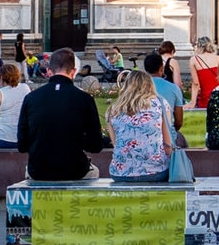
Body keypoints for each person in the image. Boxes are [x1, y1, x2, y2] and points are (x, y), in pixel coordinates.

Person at [16, 49, 108, 182]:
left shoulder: (31, 98)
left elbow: (22, 145)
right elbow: (95, 146)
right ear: (73, 72)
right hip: (75, 170)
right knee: (94, 172)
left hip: (39, 170)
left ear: (49, 71)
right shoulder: (84, 98)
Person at [106, 71, 175, 184]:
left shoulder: (113, 110)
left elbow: (117, 144)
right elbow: (167, 144)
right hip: (155, 171)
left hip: (120, 173)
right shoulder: (160, 104)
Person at [142, 52, 187, 134]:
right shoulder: (174, 88)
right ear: (161, 68)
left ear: (145, 70)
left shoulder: (138, 88)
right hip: (168, 136)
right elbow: (179, 122)